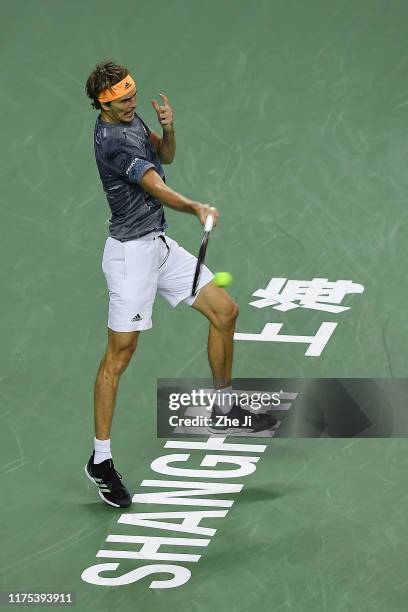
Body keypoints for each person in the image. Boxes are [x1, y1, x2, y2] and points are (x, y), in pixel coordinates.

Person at [84, 60, 275, 509]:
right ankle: (101, 460)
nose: (133, 104)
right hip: (131, 257)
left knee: (225, 312)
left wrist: (168, 131)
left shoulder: (129, 117)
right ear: (102, 105)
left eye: (134, 96)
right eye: (123, 101)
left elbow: (163, 157)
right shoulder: (111, 142)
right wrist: (196, 208)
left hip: (159, 245)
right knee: (120, 354)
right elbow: (156, 186)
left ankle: (223, 406)